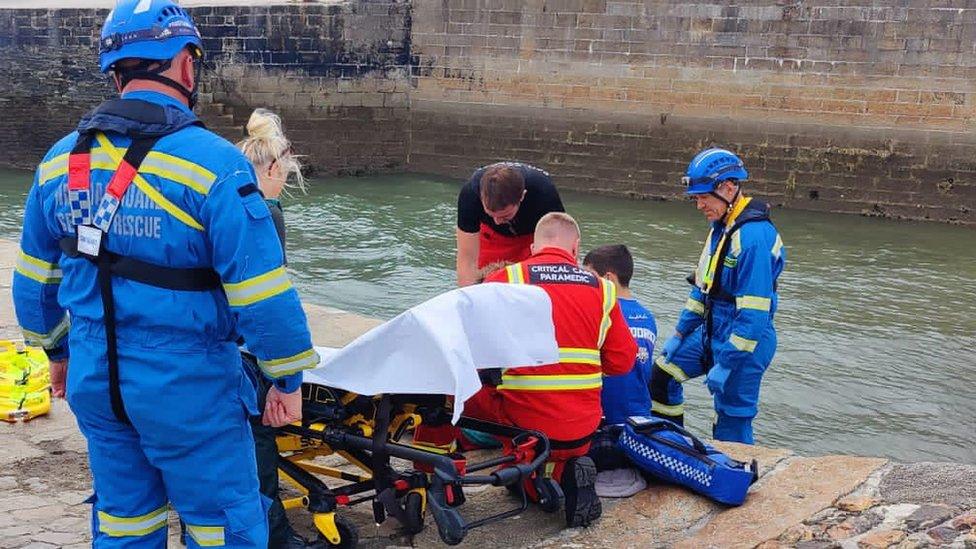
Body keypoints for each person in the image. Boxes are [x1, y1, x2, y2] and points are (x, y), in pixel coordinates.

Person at [11, 2, 317, 547]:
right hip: (189, 388)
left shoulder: (59, 162)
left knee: (125, 522)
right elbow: (264, 294)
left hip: (96, 382)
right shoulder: (215, 164)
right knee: (223, 526)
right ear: (184, 63)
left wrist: (58, 355)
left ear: (116, 71)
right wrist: (286, 379)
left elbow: (35, 284)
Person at [475, 212, 638, 527]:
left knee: (472, 393)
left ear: (534, 248)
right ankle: (566, 471)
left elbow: (473, 352)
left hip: (523, 425)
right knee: (563, 445)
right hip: (580, 428)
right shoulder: (603, 290)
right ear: (576, 249)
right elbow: (622, 362)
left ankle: (528, 478)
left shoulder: (506, 280)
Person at [651, 148, 785, 444]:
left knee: (731, 419)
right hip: (713, 329)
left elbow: (754, 315)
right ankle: (671, 445)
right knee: (661, 375)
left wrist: (727, 363)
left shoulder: (752, 239)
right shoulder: (722, 228)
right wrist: (680, 332)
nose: (698, 205)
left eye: (703, 197)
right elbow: (703, 289)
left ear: (728, 188)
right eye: (695, 198)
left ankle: (738, 479)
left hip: (746, 341)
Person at [237, 109, 320, 548]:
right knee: (257, 444)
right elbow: (270, 302)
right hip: (245, 355)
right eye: (285, 174)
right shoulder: (266, 214)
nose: (285, 182)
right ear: (271, 168)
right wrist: (284, 379)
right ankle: (272, 536)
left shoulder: (224, 203)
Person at [582, 244, 657, 427]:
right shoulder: (647, 317)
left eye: (590, 277)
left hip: (606, 417)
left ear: (608, 278)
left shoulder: (602, 312)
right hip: (640, 418)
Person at [455, 162, 564, 287]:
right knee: (484, 284)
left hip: (532, 237)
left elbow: (560, 253)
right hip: (491, 237)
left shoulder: (544, 192)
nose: (497, 221)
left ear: (522, 196)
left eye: (505, 216)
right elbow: (467, 259)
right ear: (481, 196)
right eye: (491, 214)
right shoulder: (470, 194)